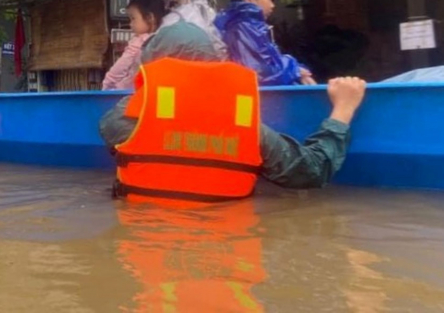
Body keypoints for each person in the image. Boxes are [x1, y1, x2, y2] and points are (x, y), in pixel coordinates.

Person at [100, 22, 367, 200]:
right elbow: (311, 170)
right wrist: (342, 110)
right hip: (226, 251)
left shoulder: (126, 118)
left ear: (153, 65)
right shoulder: (245, 125)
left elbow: (108, 128)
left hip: (145, 250)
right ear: (215, 64)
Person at [215, 0, 315, 86]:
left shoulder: (250, 27)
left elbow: (270, 65)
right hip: (253, 102)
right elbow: (259, 72)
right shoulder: (241, 29)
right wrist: (293, 69)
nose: (272, 5)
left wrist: (295, 69)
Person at [103, 0, 166, 91]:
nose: (130, 24)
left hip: (127, 94)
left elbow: (120, 68)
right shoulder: (165, 39)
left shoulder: (138, 42)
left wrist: (107, 85)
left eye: (133, 18)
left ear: (150, 18)